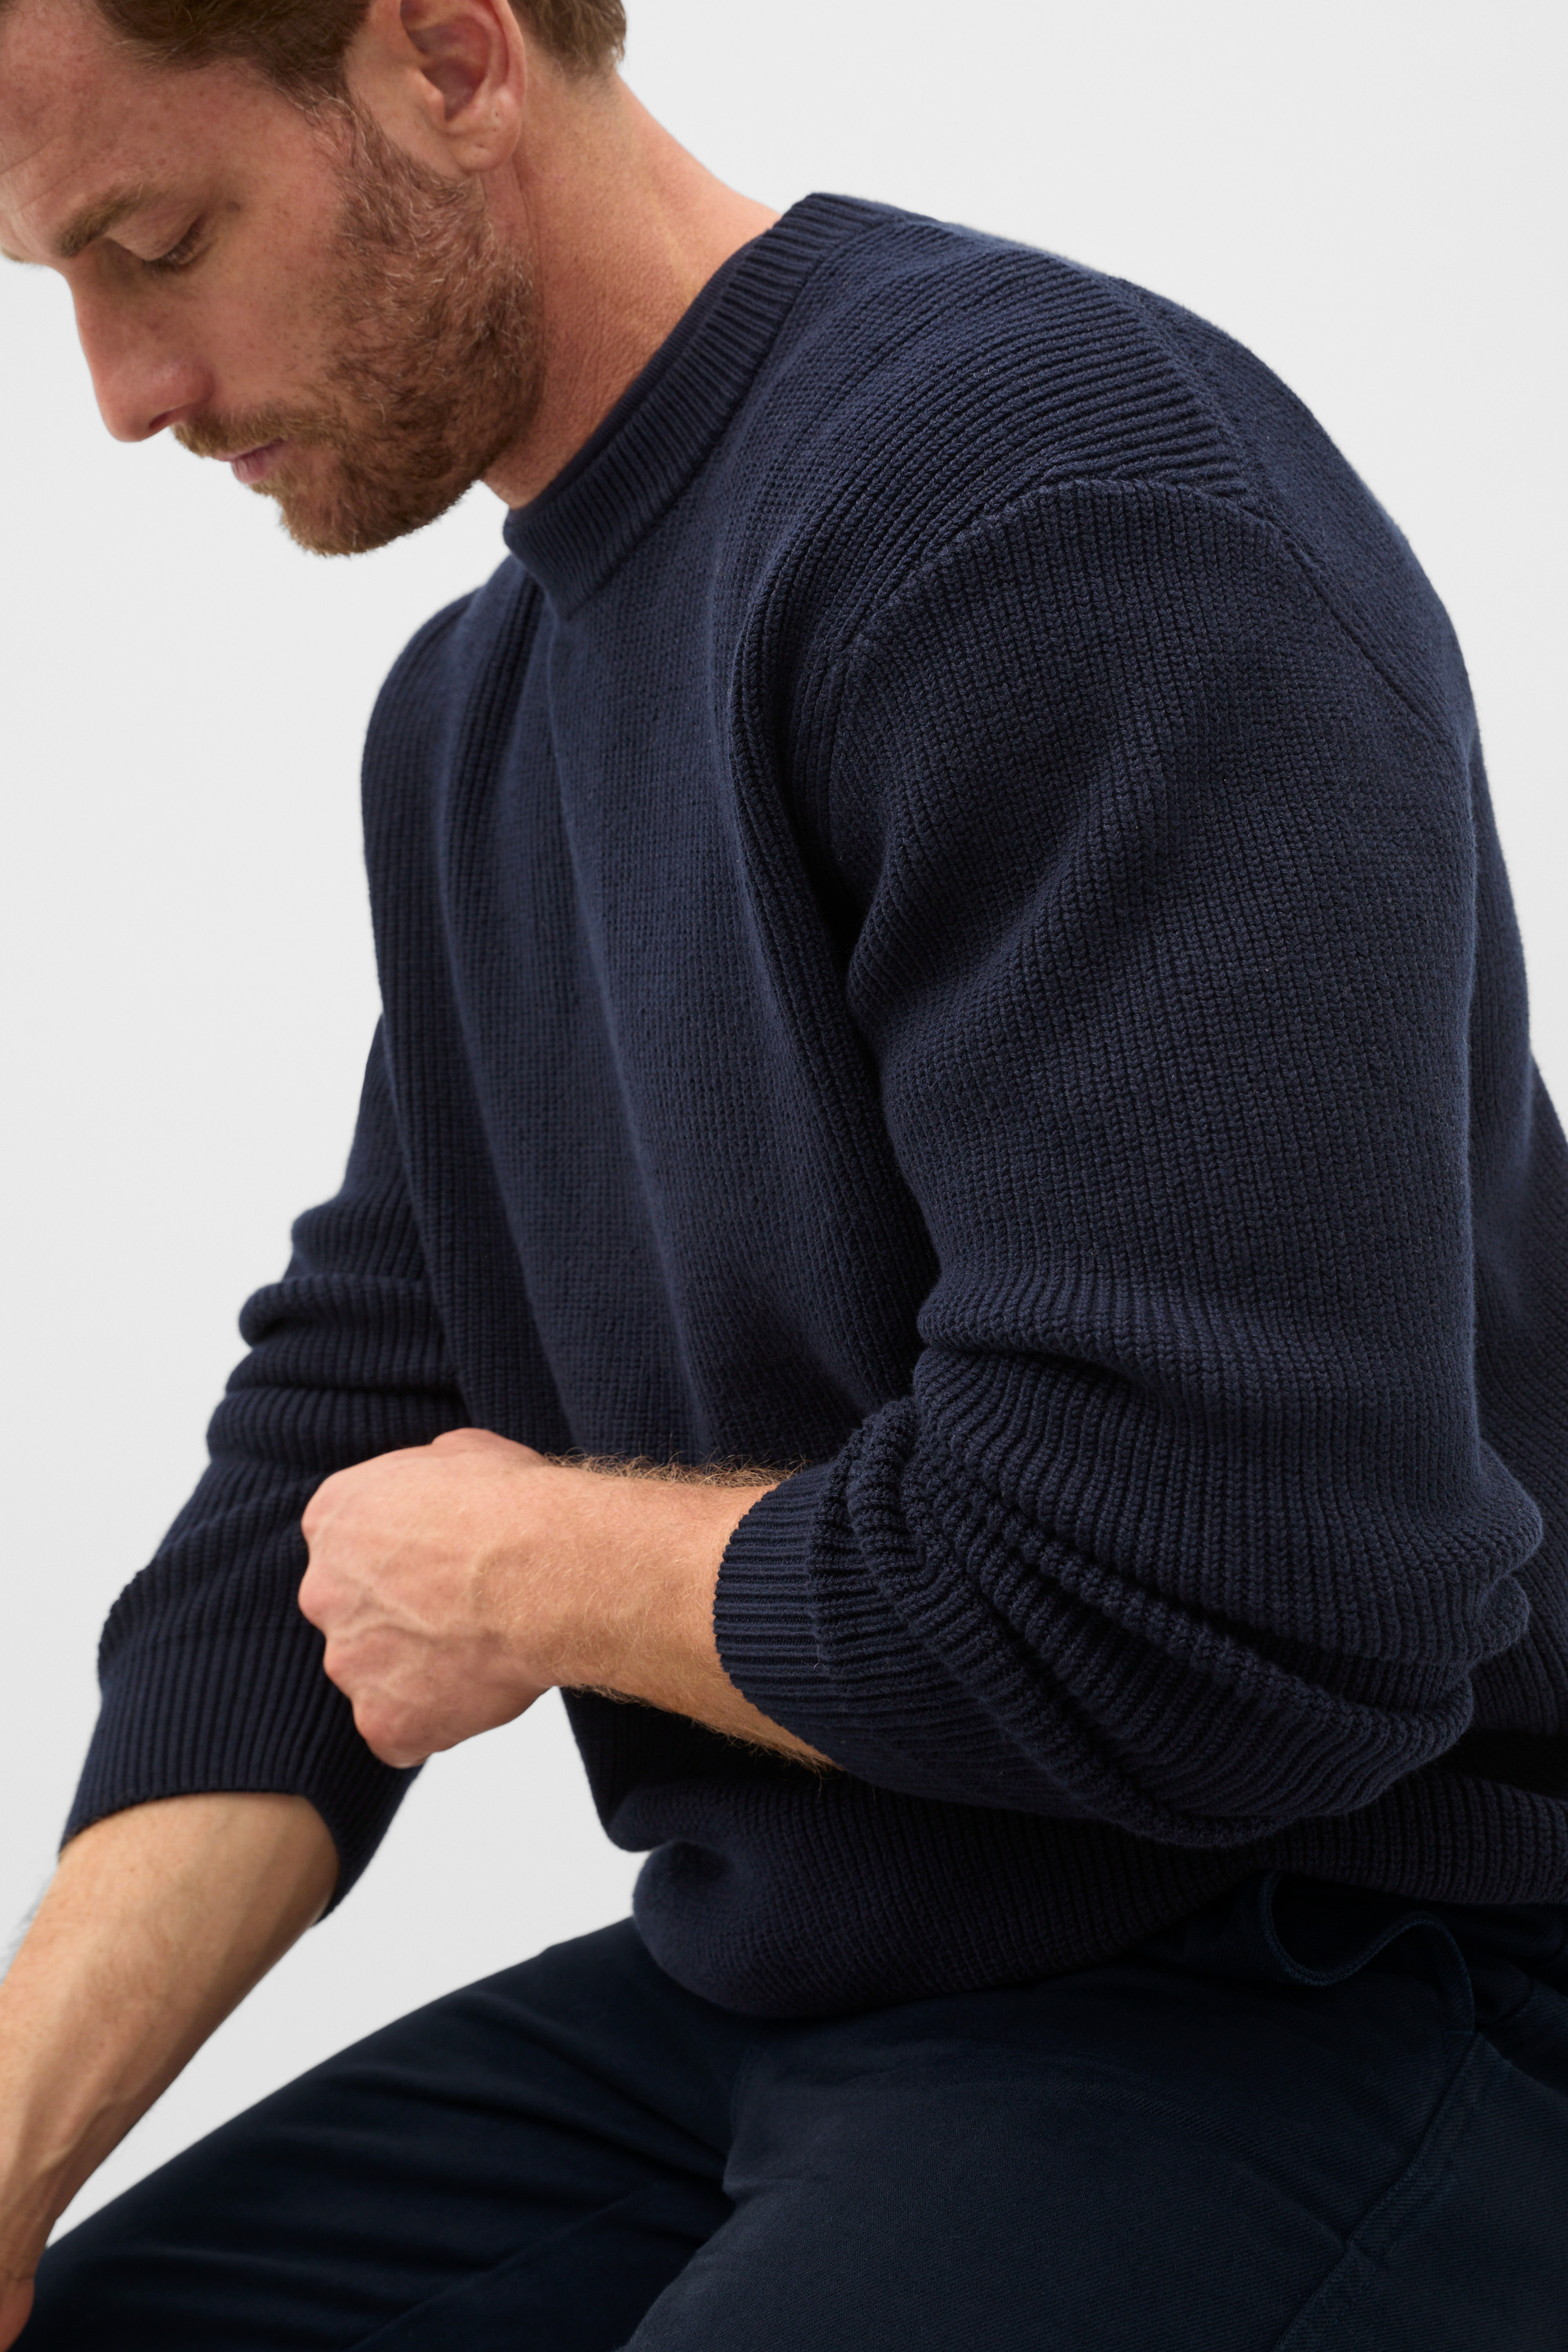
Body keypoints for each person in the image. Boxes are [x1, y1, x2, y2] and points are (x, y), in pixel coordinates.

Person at [3, 0, 1567, 2340]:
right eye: (59, 286)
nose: (124, 393)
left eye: (158, 244)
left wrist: (532, 1573)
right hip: (787, 2001)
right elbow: (332, 1469)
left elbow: (1226, 1595)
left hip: (1334, 1972)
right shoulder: (476, 717)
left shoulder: (1049, 505)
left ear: (450, 56)